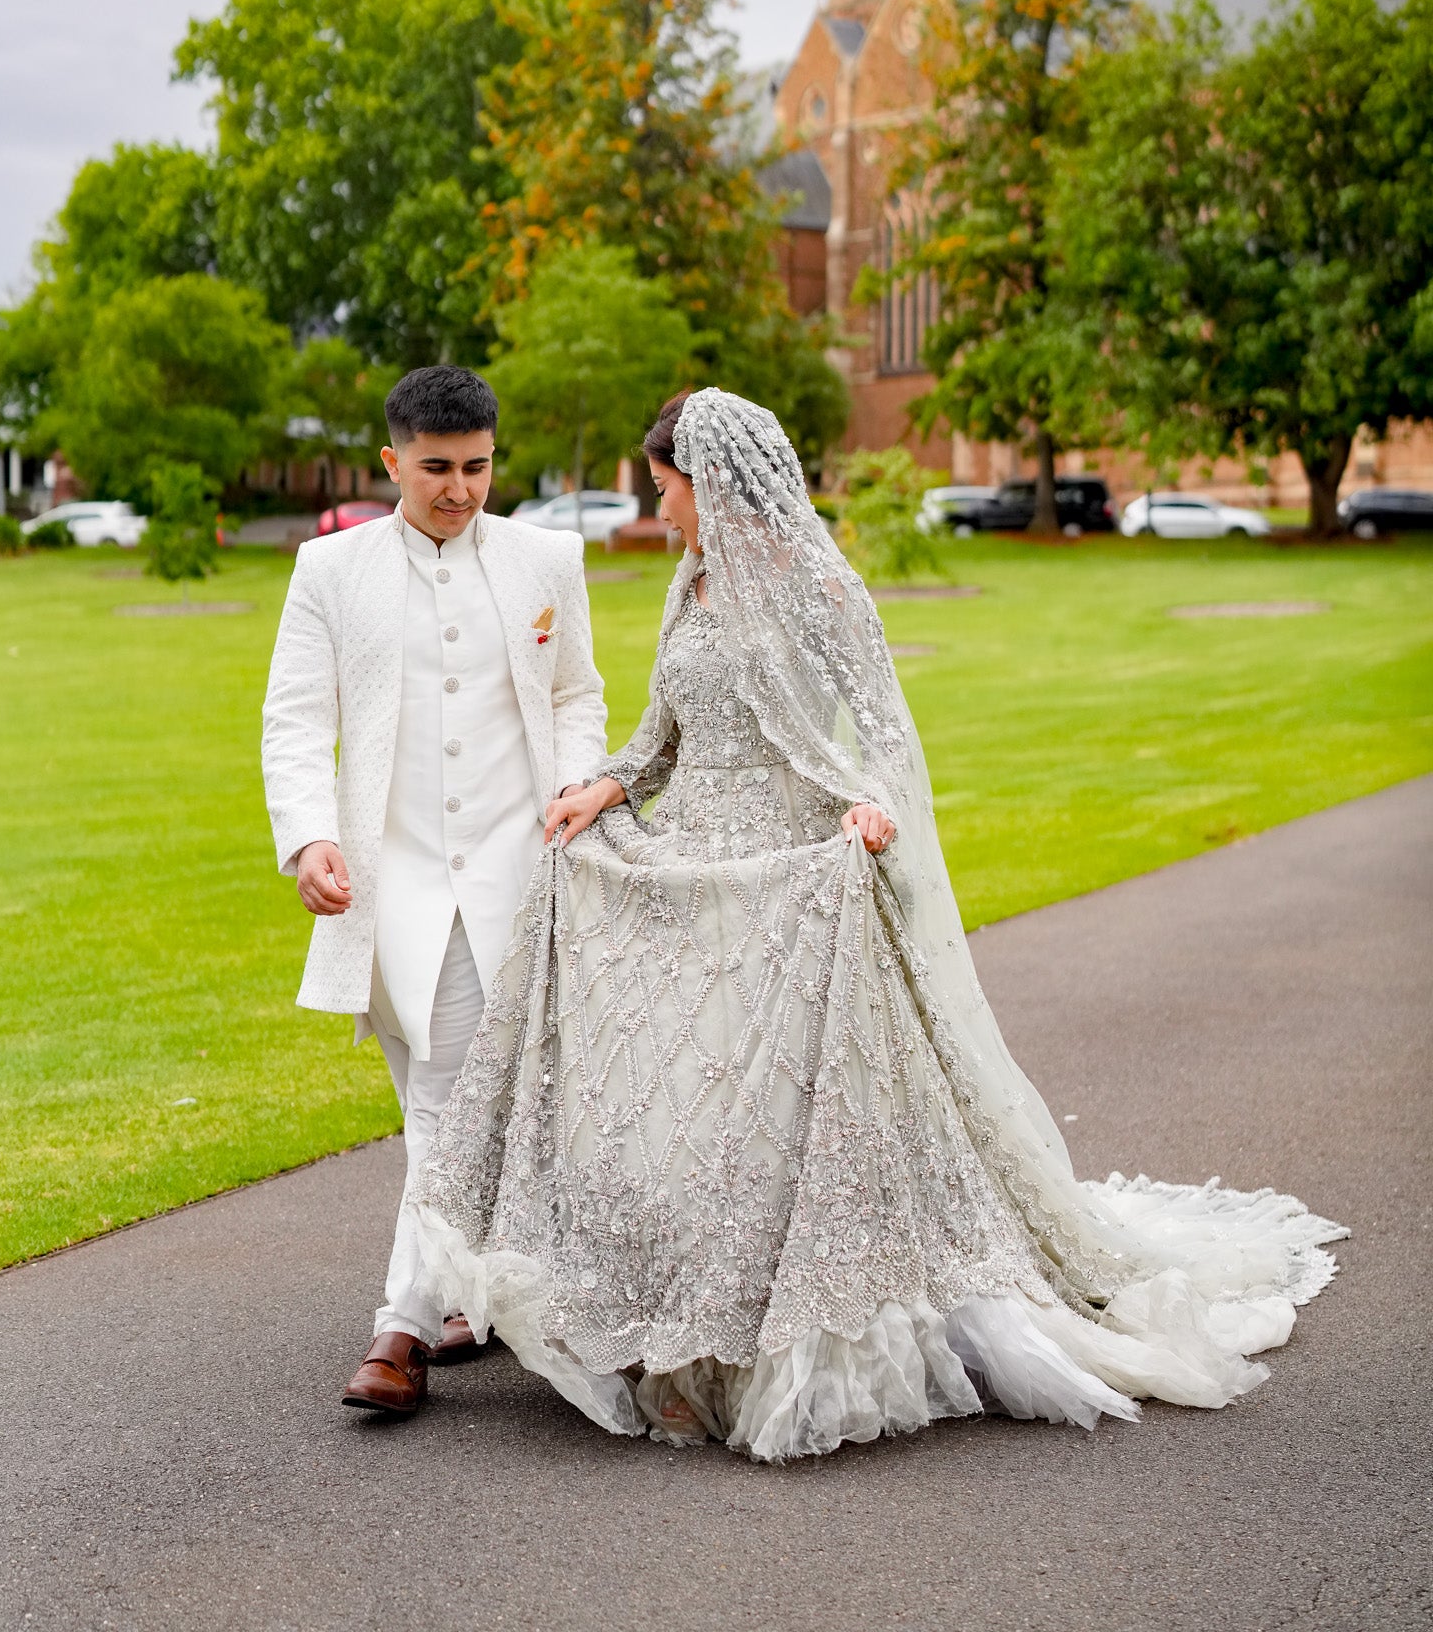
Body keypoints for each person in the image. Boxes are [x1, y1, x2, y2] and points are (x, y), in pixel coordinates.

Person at [397, 387, 1346, 1460]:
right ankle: (678, 1335)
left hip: (796, 874)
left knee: (779, 1122)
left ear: (710, 481)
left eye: (665, 487)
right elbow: (661, 733)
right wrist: (608, 787)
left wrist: (869, 803)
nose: (658, 506)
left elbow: (884, 724)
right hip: (695, 863)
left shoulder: (816, 583)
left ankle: (774, 1339)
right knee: (679, 1104)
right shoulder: (690, 579)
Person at [261, 365, 607, 1418]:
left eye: (479, 466)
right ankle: (475, 1291)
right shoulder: (330, 569)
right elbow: (292, 717)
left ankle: (400, 1328)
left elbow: (578, 691)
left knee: (449, 1099)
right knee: (438, 1106)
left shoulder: (550, 556)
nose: (460, 488)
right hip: (389, 881)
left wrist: (573, 791)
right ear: (391, 462)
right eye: (438, 468)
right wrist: (310, 836)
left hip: (513, 875)